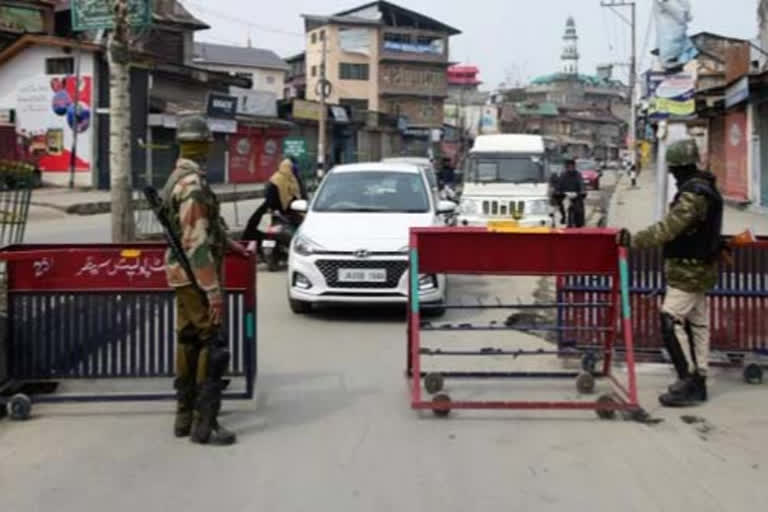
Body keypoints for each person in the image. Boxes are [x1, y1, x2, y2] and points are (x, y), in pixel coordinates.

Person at [162, 113, 248, 445]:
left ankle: (183, 416)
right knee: (212, 345)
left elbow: (205, 228)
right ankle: (205, 422)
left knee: (187, 340)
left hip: (180, 275)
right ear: (202, 145)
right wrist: (212, 290)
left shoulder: (176, 178)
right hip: (196, 276)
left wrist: (229, 244)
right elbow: (196, 241)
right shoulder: (194, 185)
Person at [620, 139, 723, 407]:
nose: (674, 177)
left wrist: (633, 240)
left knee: (670, 320)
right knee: (698, 324)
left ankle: (687, 381)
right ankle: (699, 380)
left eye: (675, 171)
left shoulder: (693, 195)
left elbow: (669, 228)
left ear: (680, 168)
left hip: (687, 270)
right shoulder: (708, 188)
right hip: (702, 268)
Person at [242, 158, 302, 251]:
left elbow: (269, 196)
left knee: (254, 224)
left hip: (272, 209)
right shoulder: (291, 180)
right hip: (284, 210)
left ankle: (251, 249)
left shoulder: (276, 178)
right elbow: (297, 196)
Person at [554, 158, 586, 227]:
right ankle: (563, 216)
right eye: (569, 166)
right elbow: (559, 184)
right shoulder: (563, 175)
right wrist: (557, 191)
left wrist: (582, 191)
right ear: (566, 167)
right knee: (560, 204)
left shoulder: (578, 175)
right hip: (565, 196)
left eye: (572, 166)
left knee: (579, 209)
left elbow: (581, 184)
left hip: (576, 195)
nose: (570, 168)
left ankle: (579, 223)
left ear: (574, 166)